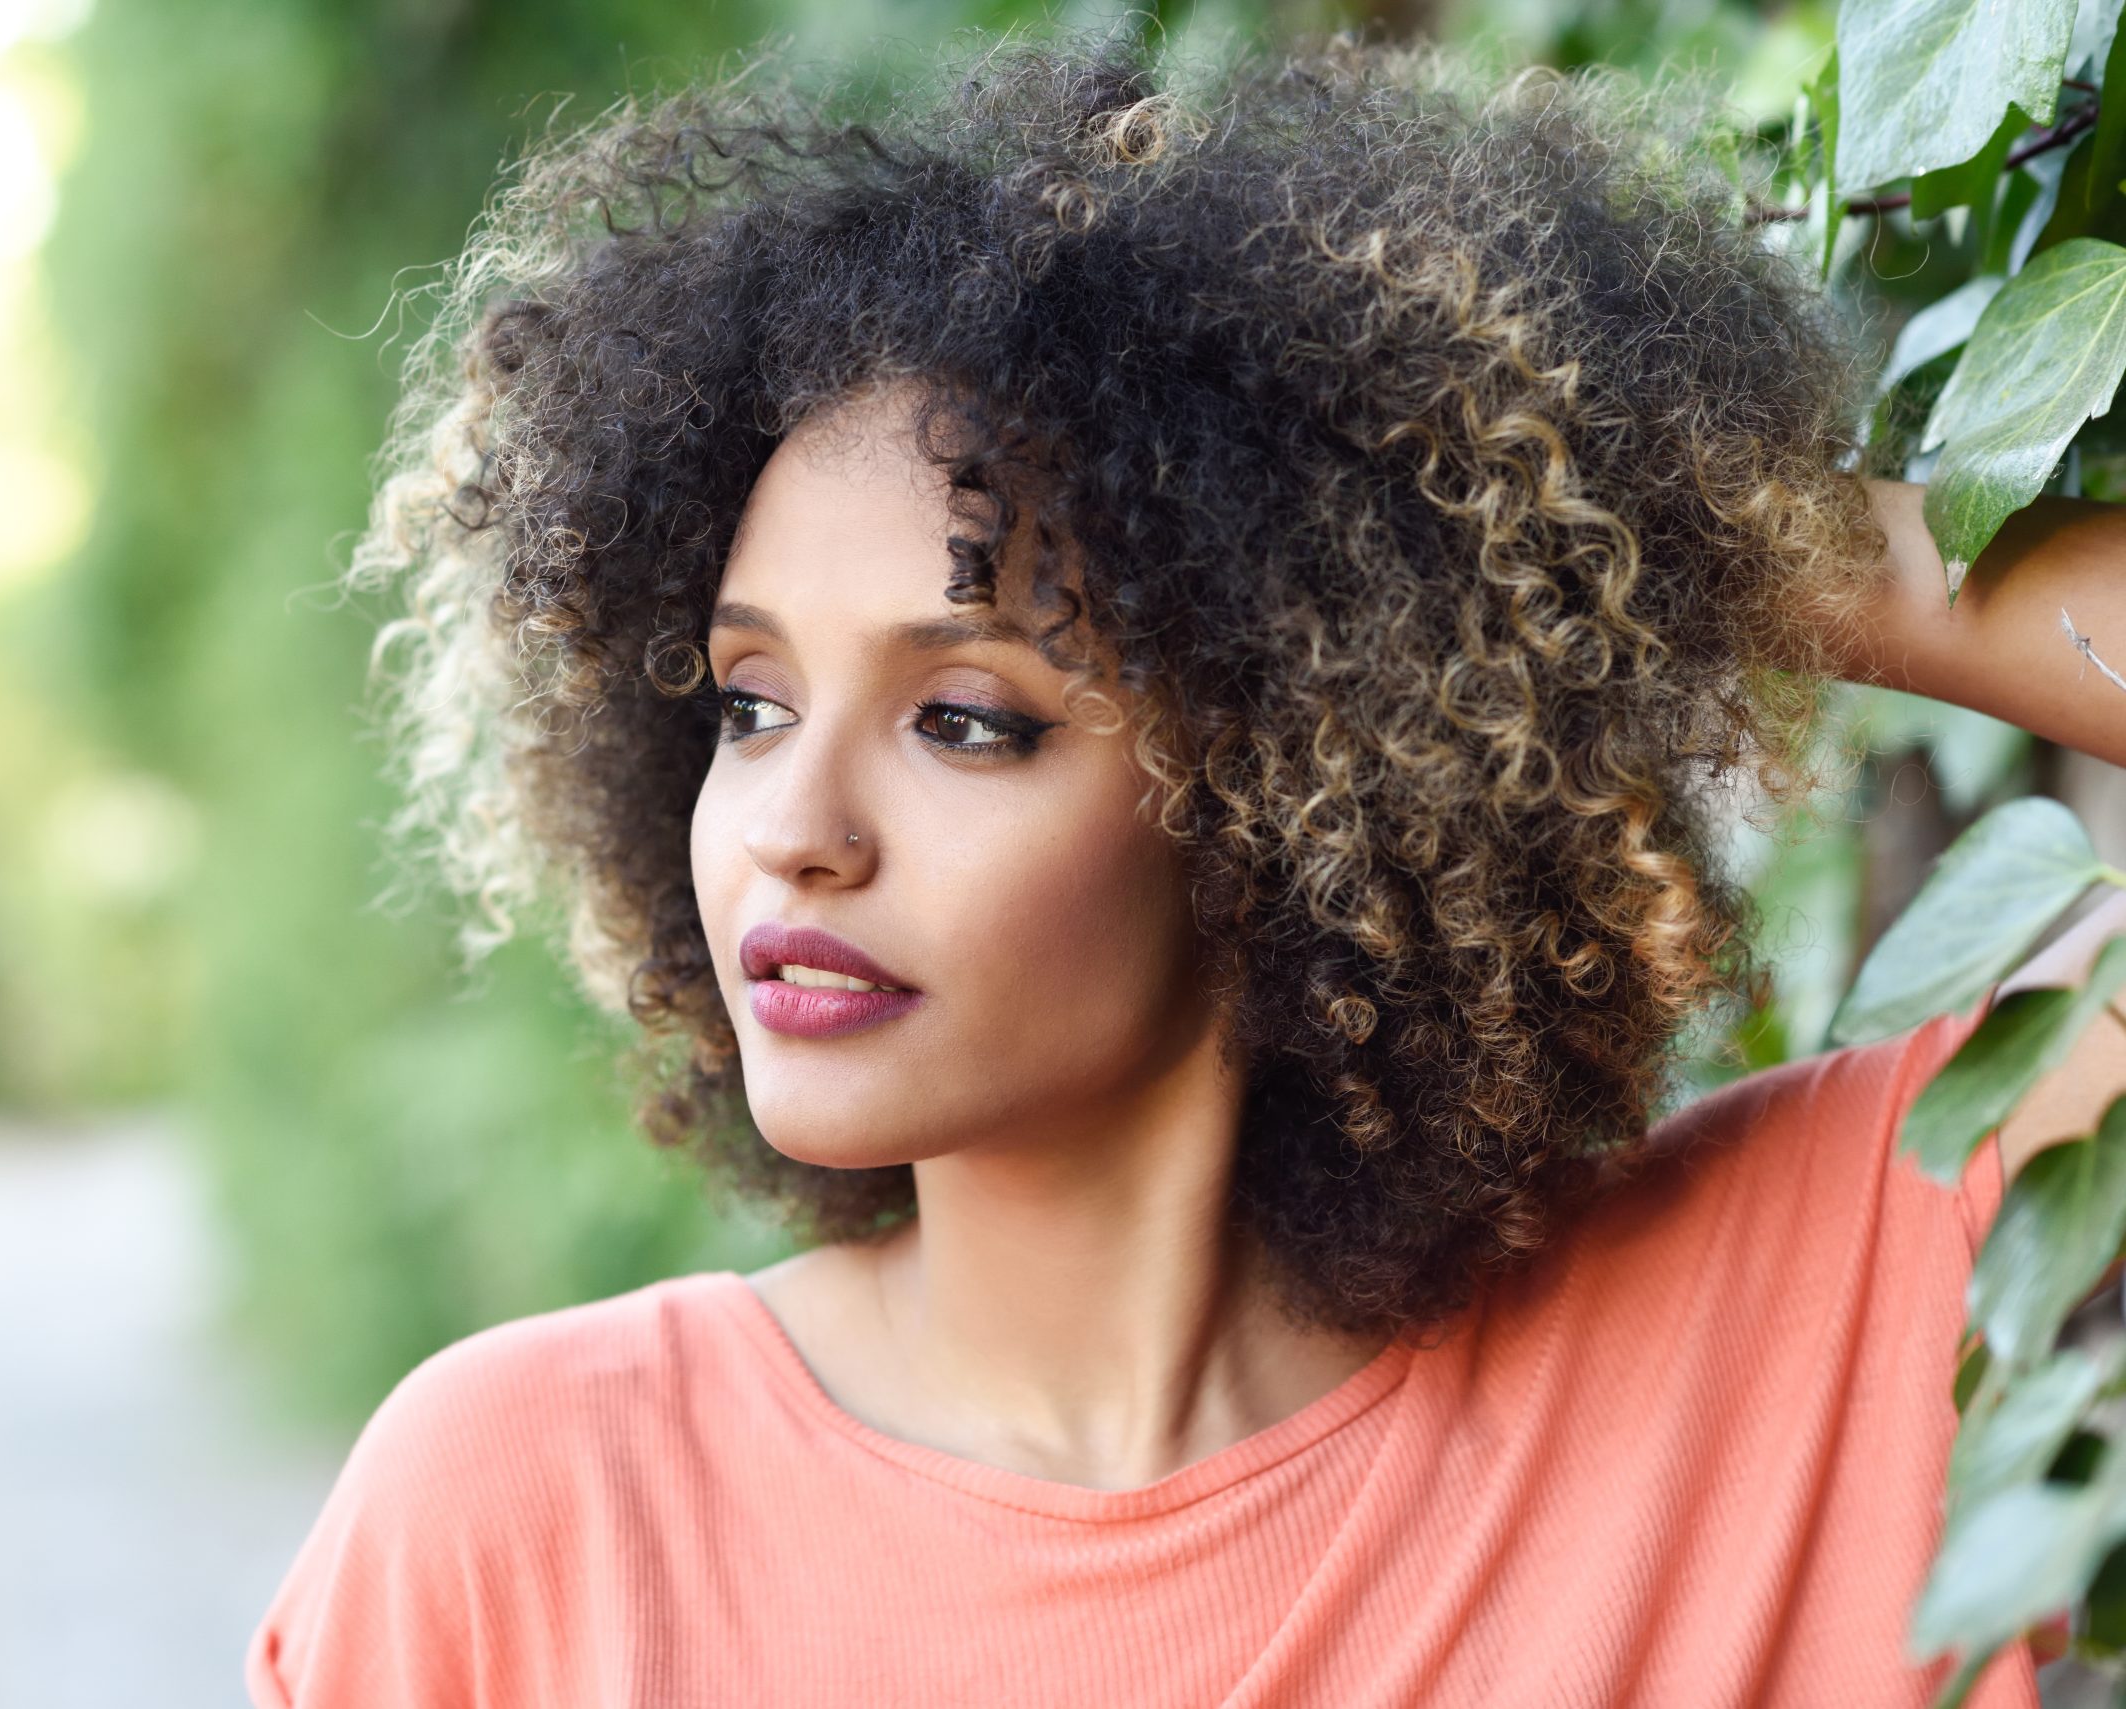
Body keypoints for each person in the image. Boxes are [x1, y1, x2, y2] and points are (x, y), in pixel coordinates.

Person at [243, 33, 2126, 1708]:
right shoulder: (522, 1512)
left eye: (968, 716)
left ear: (1299, 783)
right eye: (747, 701)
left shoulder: (1814, 1299)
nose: (789, 822)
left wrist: (1678, 542)